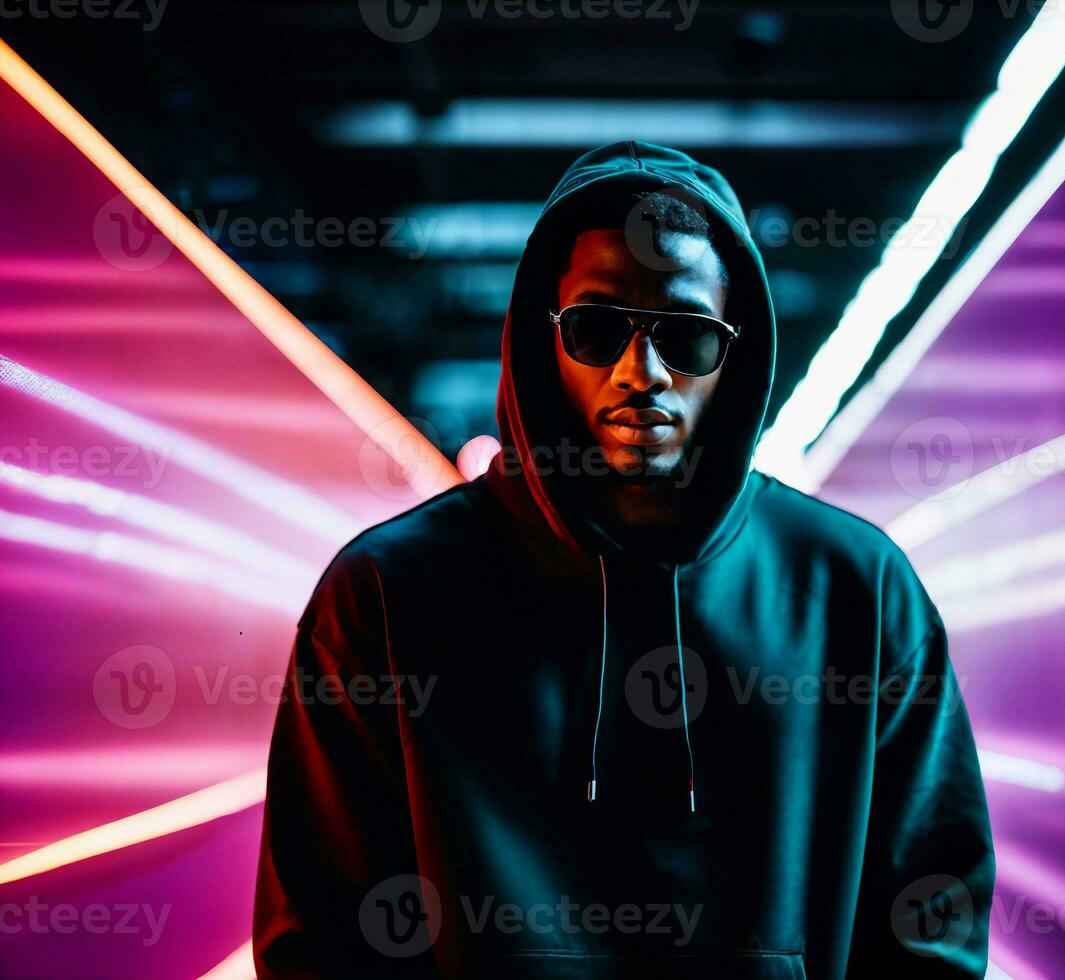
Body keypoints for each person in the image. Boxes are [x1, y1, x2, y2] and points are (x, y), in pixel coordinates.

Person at [254, 141, 994, 979]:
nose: (639, 373)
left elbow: (929, 917)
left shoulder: (855, 591)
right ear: (545, 337)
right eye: (598, 330)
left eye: (686, 339)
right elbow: (325, 938)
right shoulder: (388, 595)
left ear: (738, 354)